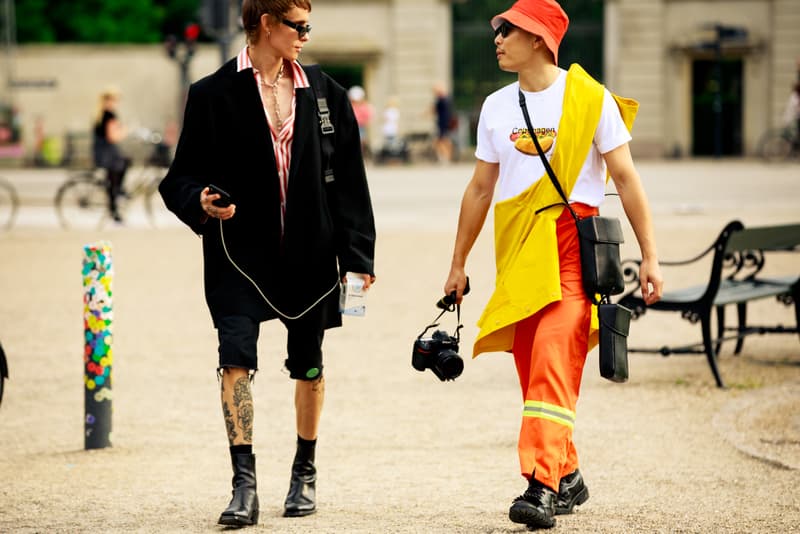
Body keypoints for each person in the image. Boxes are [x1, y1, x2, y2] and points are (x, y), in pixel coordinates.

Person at [442, 0, 663, 530]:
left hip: (571, 253)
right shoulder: (495, 107)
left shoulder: (591, 99)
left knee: (549, 366)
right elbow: (479, 189)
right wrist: (457, 264)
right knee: (533, 372)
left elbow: (627, 180)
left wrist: (650, 255)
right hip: (518, 255)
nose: (496, 38)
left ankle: (540, 485)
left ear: (539, 38)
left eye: (507, 30)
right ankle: (569, 475)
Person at [159, 0, 376, 527]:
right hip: (238, 255)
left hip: (310, 253)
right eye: (297, 25)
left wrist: (359, 256)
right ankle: (244, 484)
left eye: (308, 25)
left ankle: (305, 472)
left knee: (308, 364)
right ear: (265, 25)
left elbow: (349, 182)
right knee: (234, 359)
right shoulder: (212, 93)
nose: (306, 34)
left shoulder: (325, 94)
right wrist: (202, 202)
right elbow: (179, 179)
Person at [92, 87, 130, 223]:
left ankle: (115, 209)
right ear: (108, 100)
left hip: (102, 152)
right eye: (114, 100)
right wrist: (125, 131)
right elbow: (112, 137)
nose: (116, 103)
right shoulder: (109, 115)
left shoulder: (100, 114)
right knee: (115, 180)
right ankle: (116, 203)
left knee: (112, 181)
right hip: (108, 153)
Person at [348, 85, 373, 158]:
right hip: (351, 126)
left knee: (360, 141)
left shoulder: (364, 106)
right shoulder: (350, 105)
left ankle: (360, 155)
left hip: (360, 126)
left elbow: (368, 116)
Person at [432, 82, 455, 163]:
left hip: (443, 123)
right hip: (445, 122)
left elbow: (434, 110)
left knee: (441, 141)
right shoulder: (447, 98)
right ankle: (446, 157)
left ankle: (445, 157)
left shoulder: (441, 99)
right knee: (444, 140)